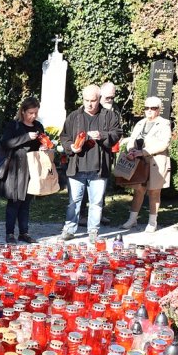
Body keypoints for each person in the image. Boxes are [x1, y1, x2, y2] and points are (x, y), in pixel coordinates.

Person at [60, 84, 122, 241]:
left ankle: (93, 231)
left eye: (93, 100)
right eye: (86, 100)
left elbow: (117, 133)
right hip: (77, 166)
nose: (89, 104)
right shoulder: (74, 116)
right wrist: (70, 147)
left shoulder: (109, 115)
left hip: (99, 168)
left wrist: (102, 135)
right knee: (73, 202)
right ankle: (69, 229)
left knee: (96, 203)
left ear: (99, 99)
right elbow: (64, 136)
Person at [120, 96, 172, 232]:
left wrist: (143, 152)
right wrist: (131, 150)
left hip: (156, 162)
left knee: (154, 191)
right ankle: (132, 220)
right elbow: (132, 139)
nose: (149, 111)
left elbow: (164, 143)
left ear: (159, 109)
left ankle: (152, 221)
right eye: (147, 108)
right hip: (140, 161)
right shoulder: (140, 123)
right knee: (138, 190)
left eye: (153, 108)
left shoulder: (164, 123)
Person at [0, 97, 45, 244]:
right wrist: (25, 137)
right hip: (16, 169)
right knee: (14, 202)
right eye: (30, 112)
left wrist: (43, 146)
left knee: (26, 203)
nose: (33, 116)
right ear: (23, 111)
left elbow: (40, 144)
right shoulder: (14, 125)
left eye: (36, 113)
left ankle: (24, 232)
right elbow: (5, 143)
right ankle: (10, 233)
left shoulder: (38, 126)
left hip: (32, 169)